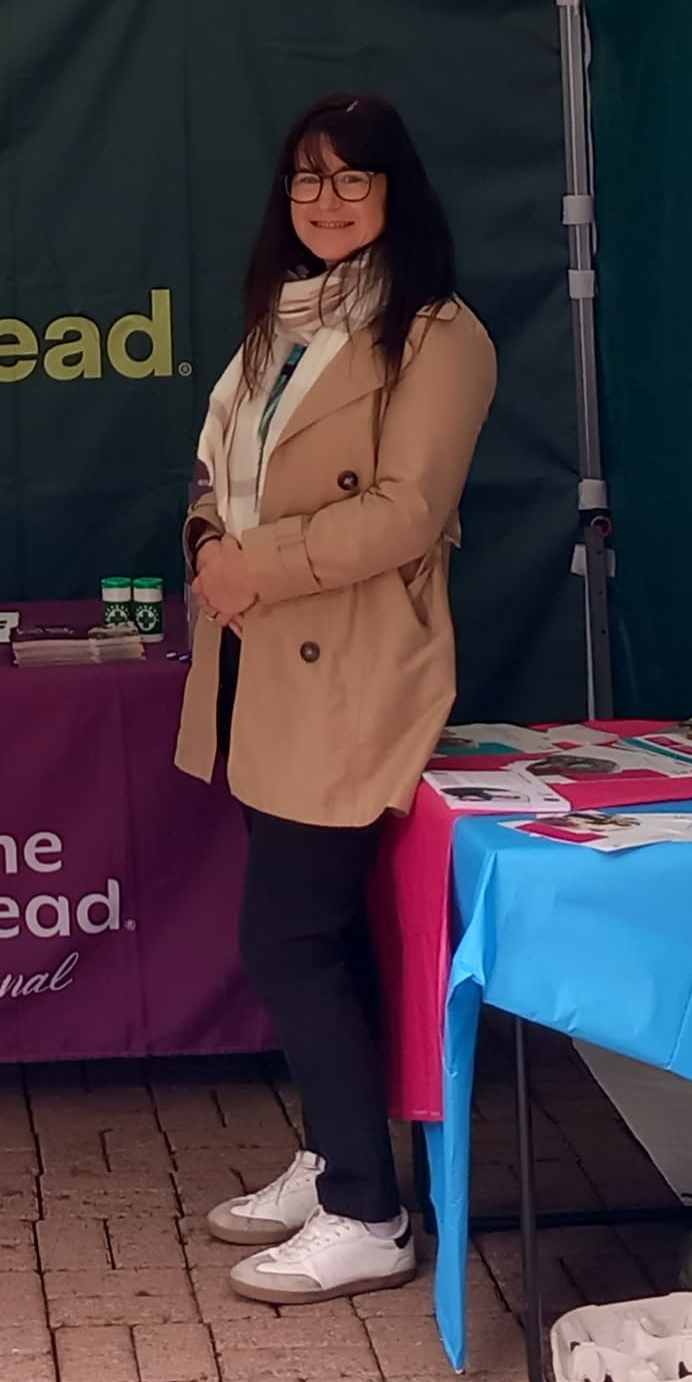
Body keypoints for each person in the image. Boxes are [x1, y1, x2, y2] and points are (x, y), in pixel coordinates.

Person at [181, 92, 496, 1306]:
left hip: (351, 664)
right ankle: (334, 1159)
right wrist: (213, 533)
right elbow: (223, 466)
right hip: (263, 659)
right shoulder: (286, 321)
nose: (326, 201)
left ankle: (373, 1210)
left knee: (290, 937)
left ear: (395, 192)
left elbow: (407, 512)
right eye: (307, 180)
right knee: (310, 937)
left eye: (351, 181)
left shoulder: (436, 334)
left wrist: (253, 563)